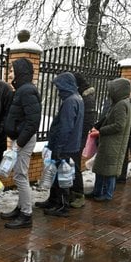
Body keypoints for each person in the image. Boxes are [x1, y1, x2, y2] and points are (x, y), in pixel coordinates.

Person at [0, 58, 41, 229]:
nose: (9, 74)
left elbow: (33, 121)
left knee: (21, 176)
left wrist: (19, 143)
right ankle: (20, 208)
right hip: (20, 138)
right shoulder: (22, 90)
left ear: (20, 72)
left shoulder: (27, 91)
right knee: (18, 175)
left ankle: (26, 214)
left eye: (11, 71)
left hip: (24, 140)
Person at [42, 72, 84, 215]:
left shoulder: (70, 101)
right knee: (58, 175)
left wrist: (58, 147)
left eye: (59, 87)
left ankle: (61, 205)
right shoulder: (77, 98)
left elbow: (66, 127)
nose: (58, 91)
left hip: (65, 146)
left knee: (62, 176)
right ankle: (53, 200)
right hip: (70, 145)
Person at [90, 78, 131, 201]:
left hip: (114, 142)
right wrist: (97, 126)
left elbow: (119, 125)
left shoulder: (121, 104)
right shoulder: (120, 102)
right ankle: (97, 191)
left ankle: (107, 195)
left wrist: (100, 131)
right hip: (110, 141)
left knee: (110, 170)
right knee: (102, 168)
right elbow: (108, 118)